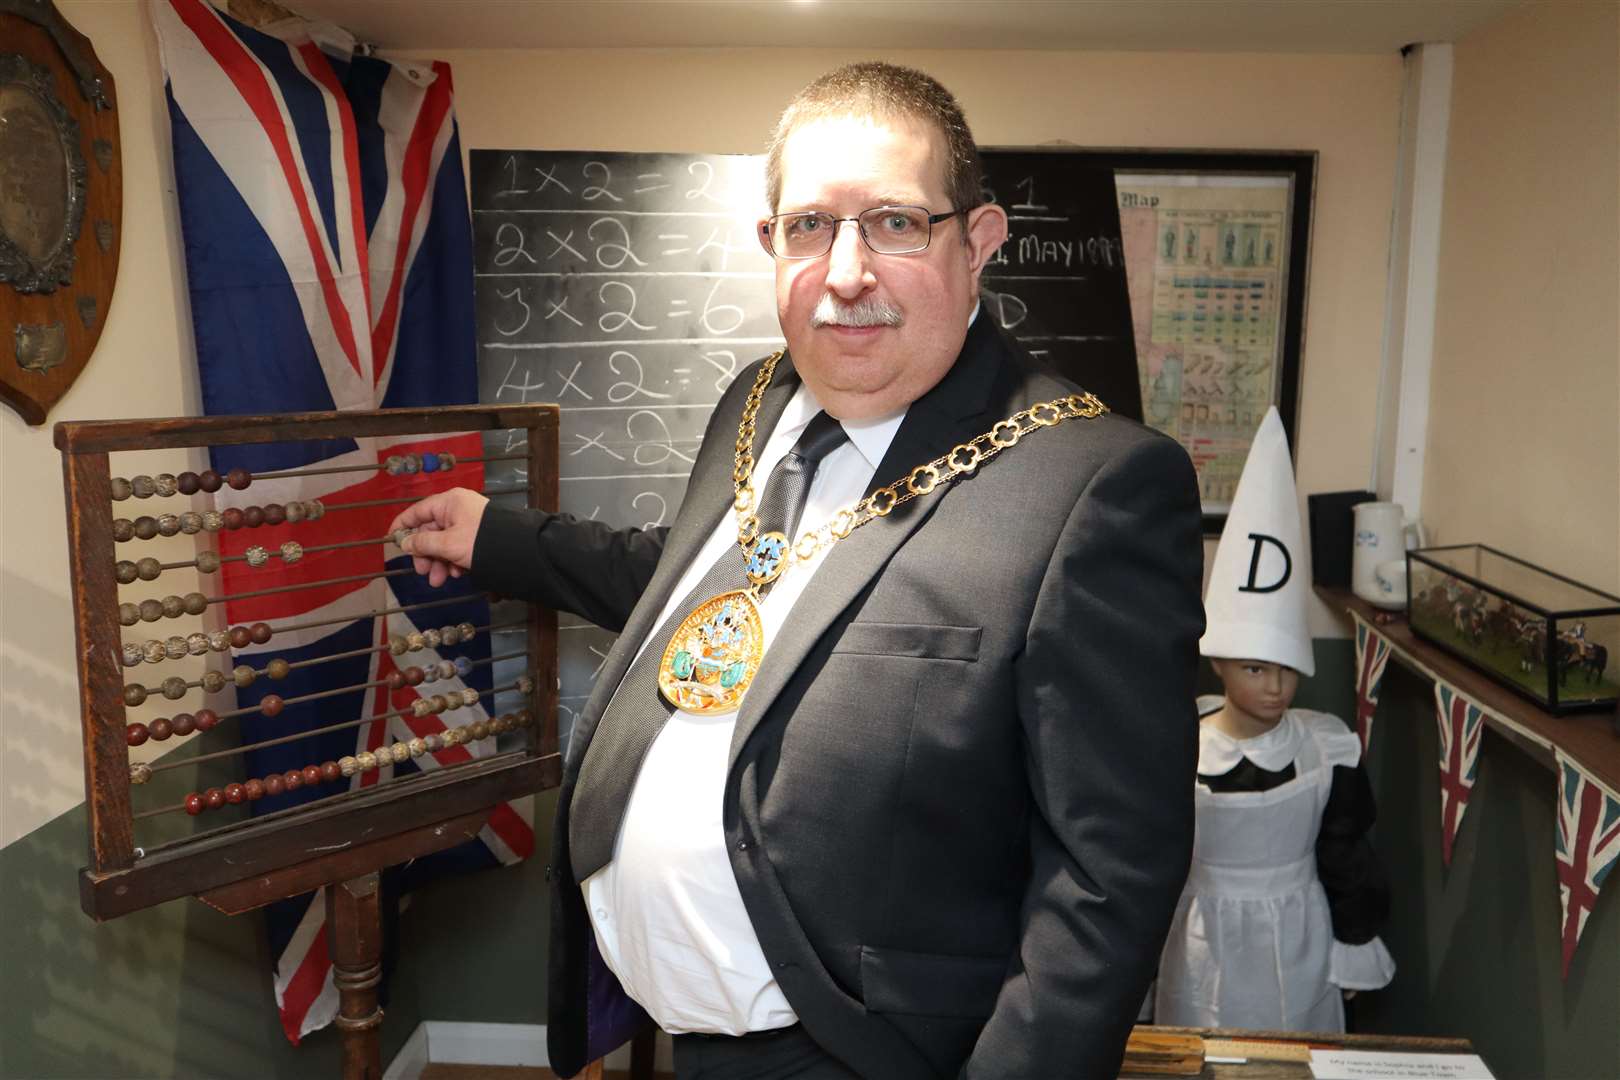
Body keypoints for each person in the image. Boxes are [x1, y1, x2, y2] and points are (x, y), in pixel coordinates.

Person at [392, 62, 1205, 1080]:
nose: (848, 271)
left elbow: (1110, 880)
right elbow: (685, 580)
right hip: (668, 1036)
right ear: (771, 243)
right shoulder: (759, 400)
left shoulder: (1093, 484)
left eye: (897, 224)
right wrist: (498, 540)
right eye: (811, 226)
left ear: (979, 243)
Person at [1153, 407, 1394, 1032]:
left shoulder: (1326, 748)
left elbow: (1346, 856)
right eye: (1256, 669)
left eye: (1287, 670)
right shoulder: (1179, 745)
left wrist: (1354, 942)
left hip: (1299, 935)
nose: (1276, 687)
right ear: (1222, 667)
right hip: (1202, 936)